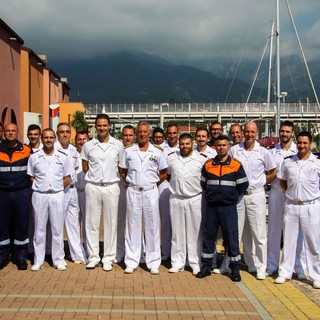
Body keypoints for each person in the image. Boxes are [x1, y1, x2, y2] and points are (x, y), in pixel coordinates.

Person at [197, 135, 249, 281]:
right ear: (215, 147)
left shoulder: (236, 165)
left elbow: (243, 186)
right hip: (211, 207)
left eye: (224, 145)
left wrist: (229, 197)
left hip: (228, 208)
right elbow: (203, 184)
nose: (221, 148)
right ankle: (206, 267)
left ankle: (235, 270)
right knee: (208, 237)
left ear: (228, 147)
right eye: (218, 145)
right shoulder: (208, 165)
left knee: (231, 238)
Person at [230, 121, 276, 280]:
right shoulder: (234, 150)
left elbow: (272, 172)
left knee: (259, 233)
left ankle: (261, 266)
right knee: (242, 232)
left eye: (252, 132)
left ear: (257, 133)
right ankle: (249, 263)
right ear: (243, 132)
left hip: (256, 195)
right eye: (247, 131)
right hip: (239, 196)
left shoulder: (264, 152)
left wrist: (262, 182)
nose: (249, 134)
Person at [120, 121, 167, 274]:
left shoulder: (158, 152)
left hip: (150, 191)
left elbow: (163, 173)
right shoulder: (128, 151)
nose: (142, 134)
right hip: (133, 190)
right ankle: (132, 260)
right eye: (139, 131)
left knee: (152, 226)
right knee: (132, 226)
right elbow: (123, 172)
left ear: (150, 133)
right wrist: (134, 183)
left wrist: (150, 184)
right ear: (136, 133)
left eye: (145, 131)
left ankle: (153, 261)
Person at [275, 131, 320, 289]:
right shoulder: (288, 161)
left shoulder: (317, 162)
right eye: (299, 143)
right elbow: (282, 181)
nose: (301, 146)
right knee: (289, 240)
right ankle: (285, 272)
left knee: (313, 242)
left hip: (311, 206)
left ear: (311, 144)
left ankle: (316, 275)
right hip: (292, 205)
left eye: (305, 143)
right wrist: (293, 194)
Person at [81, 114, 124, 271]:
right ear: (95, 126)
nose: (102, 128)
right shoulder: (88, 145)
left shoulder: (118, 145)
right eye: (99, 125)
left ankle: (108, 257)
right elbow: (85, 166)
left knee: (111, 223)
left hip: (111, 186)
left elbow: (121, 167)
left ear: (109, 126)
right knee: (91, 222)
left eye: (105, 125)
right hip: (93, 186)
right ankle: (93, 256)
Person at [28, 128, 72, 271]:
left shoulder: (63, 157)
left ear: (55, 139)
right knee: (39, 228)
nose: (48, 140)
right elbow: (31, 176)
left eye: (51, 138)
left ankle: (58, 259)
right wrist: (41, 187)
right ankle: (38, 260)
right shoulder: (34, 157)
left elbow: (67, 177)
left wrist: (57, 187)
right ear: (42, 138)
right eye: (46, 138)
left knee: (57, 229)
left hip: (57, 195)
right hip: (40, 195)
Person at [267, 120, 306, 278]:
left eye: (287, 132)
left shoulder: (299, 151)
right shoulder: (271, 152)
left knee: (296, 232)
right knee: (274, 230)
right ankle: (272, 264)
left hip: (293, 196)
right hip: (276, 193)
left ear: (292, 133)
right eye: (282, 131)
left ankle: (298, 266)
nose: (284, 134)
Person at [167, 133, 207, 275]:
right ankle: (178, 262)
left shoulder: (201, 160)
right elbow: (168, 175)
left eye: (187, 144)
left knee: (195, 232)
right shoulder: (172, 158)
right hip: (176, 198)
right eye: (182, 144)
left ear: (193, 144)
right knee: (177, 233)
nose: (184, 146)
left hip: (194, 198)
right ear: (179, 144)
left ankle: (195, 262)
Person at [0, 123, 31, 270]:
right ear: (3, 133)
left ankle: (21, 256)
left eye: (13, 130)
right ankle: (3, 255)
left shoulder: (26, 151)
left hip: (21, 193)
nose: (10, 133)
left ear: (18, 133)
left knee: (21, 224)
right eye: (8, 130)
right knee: (2, 225)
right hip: (2, 193)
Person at [56, 122, 86, 264]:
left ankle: (77, 255)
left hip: (73, 190)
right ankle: (58, 256)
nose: (65, 134)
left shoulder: (73, 150)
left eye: (67, 131)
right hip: (60, 190)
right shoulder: (53, 149)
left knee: (73, 224)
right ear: (57, 134)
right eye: (62, 132)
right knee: (57, 225)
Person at [159, 123, 180, 260]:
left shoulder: (184, 146)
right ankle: (165, 251)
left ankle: (178, 252)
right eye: (169, 133)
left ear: (178, 133)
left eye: (174, 133)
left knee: (178, 222)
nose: (172, 136)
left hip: (178, 187)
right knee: (165, 221)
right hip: (164, 185)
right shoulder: (161, 148)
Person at [116, 125, 136, 263]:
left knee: (134, 223)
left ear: (134, 136)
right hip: (119, 189)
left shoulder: (138, 150)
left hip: (134, 190)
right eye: (125, 135)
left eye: (130, 135)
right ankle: (119, 252)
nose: (127, 138)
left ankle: (135, 252)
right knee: (118, 222)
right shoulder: (117, 149)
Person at [75, 131, 89, 258]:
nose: (82, 142)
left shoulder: (90, 153)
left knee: (87, 222)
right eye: (79, 139)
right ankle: (76, 250)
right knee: (74, 222)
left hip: (87, 192)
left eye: (84, 139)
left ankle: (87, 247)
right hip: (74, 192)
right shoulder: (71, 154)